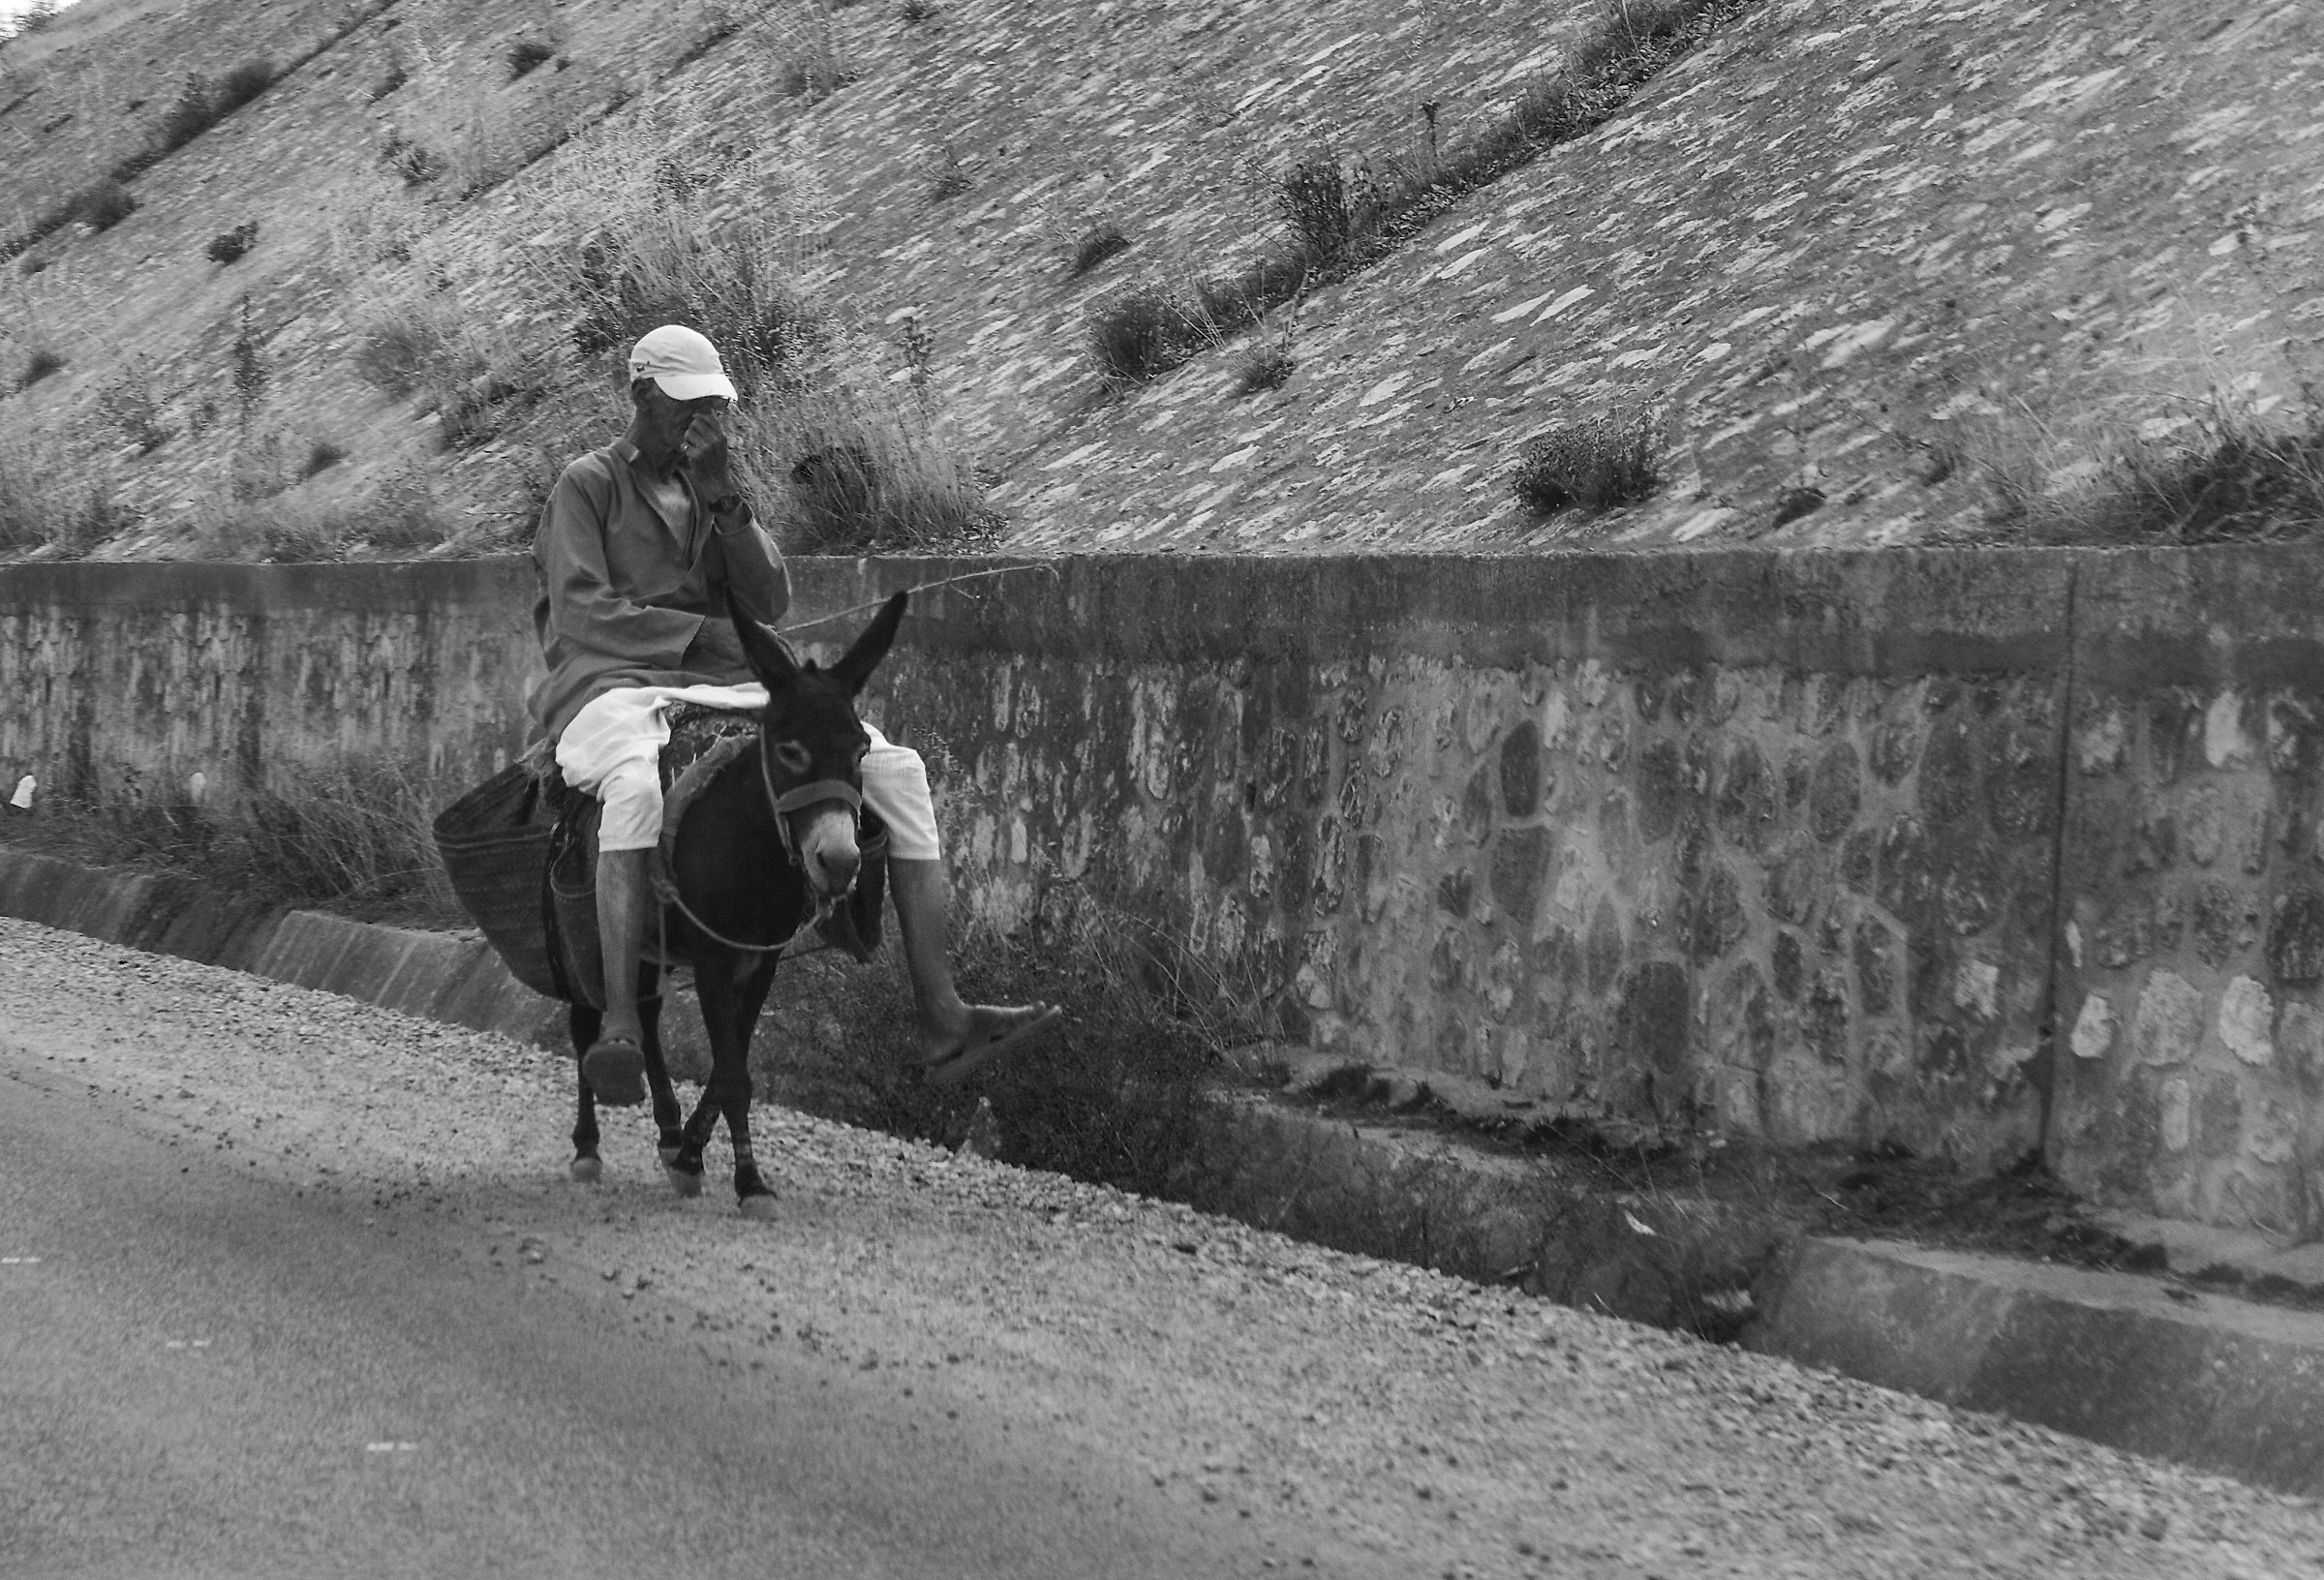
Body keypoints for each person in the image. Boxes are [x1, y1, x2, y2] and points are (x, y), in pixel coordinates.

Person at [528, 323, 1059, 1105]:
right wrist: (699, 634)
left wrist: (727, 500)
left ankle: (942, 1012)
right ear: (641, 394)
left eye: (714, 406)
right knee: (634, 789)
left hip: (717, 681)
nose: (703, 420)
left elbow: (771, 598)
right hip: (608, 685)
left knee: (896, 770)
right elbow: (580, 612)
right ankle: (619, 1023)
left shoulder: (708, 491)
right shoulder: (587, 484)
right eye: (686, 404)